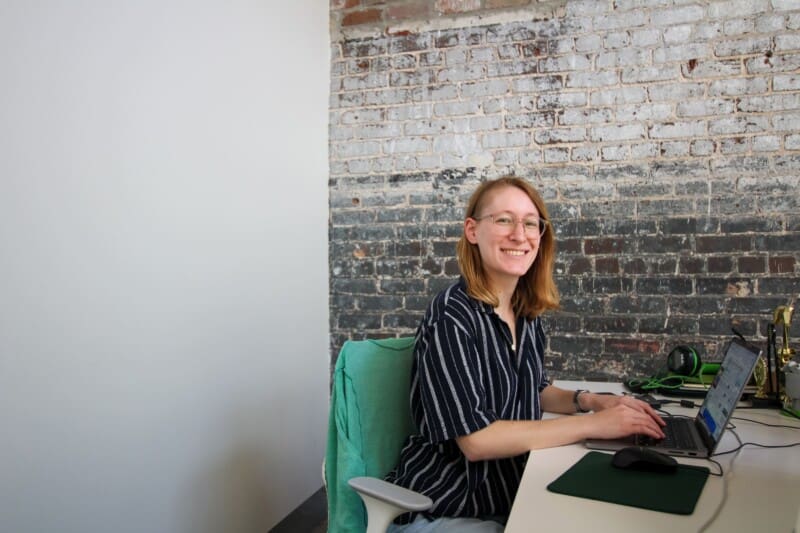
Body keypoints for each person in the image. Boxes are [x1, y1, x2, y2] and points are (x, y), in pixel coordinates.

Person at [385, 176, 666, 532]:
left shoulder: (525, 312)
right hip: (445, 509)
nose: (520, 235)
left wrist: (592, 401)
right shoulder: (452, 317)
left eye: (530, 223)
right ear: (472, 230)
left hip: (512, 497)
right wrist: (594, 425)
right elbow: (476, 440)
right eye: (503, 220)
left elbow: (530, 388)